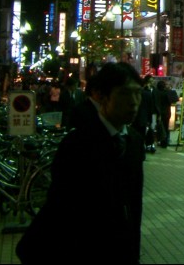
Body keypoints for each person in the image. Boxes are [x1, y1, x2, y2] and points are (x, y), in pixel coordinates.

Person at [16, 62, 145, 264]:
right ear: (102, 96)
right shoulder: (77, 144)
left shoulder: (134, 141)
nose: (134, 102)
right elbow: (61, 209)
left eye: (138, 93)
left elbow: (134, 204)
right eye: (124, 94)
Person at [135, 75, 160, 153]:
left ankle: (144, 147)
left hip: (142, 116)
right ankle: (143, 148)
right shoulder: (147, 93)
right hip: (144, 116)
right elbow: (150, 107)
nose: (151, 83)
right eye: (150, 81)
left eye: (152, 81)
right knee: (141, 133)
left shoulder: (153, 91)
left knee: (143, 133)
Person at [155, 80, 179, 148]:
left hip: (158, 112)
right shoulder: (168, 92)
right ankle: (165, 141)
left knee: (159, 127)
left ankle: (160, 140)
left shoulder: (156, 92)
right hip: (166, 112)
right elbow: (175, 100)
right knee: (165, 127)